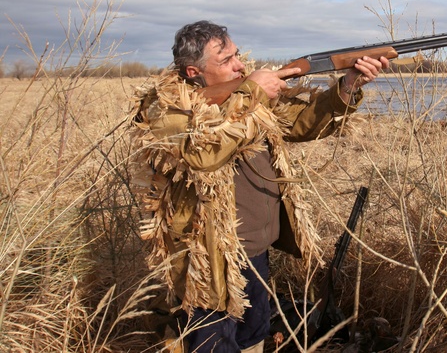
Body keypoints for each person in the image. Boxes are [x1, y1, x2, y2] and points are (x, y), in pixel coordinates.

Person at [130, 20, 388, 352]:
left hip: (256, 251)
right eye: (225, 61)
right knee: (213, 344)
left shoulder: (244, 90)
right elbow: (201, 154)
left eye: (236, 55)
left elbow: (300, 122)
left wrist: (347, 87)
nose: (239, 65)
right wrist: (251, 93)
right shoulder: (165, 105)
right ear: (194, 71)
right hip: (208, 260)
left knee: (253, 336)